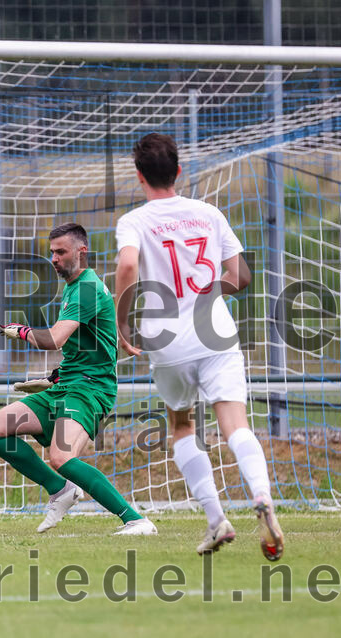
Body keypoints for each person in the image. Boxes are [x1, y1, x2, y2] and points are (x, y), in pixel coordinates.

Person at [114, 132, 284, 560]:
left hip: (166, 339)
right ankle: (261, 496)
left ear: (139, 176)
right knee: (235, 424)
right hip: (216, 332)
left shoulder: (134, 221)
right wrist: (209, 293)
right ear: (179, 170)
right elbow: (241, 277)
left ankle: (216, 519)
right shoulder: (208, 213)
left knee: (183, 426)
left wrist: (122, 322)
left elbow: (129, 263)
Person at [0, 222, 157, 536]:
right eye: (52, 252)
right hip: (65, 385)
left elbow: (56, 339)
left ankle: (136, 520)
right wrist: (54, 376)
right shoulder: (77, 287)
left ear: (81, 251)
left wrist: (21, 331)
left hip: (90, 390)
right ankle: (60, 490)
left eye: (61, 252)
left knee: (61, 456)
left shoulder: (87, 287)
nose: (54, 258)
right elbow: (86, 343)